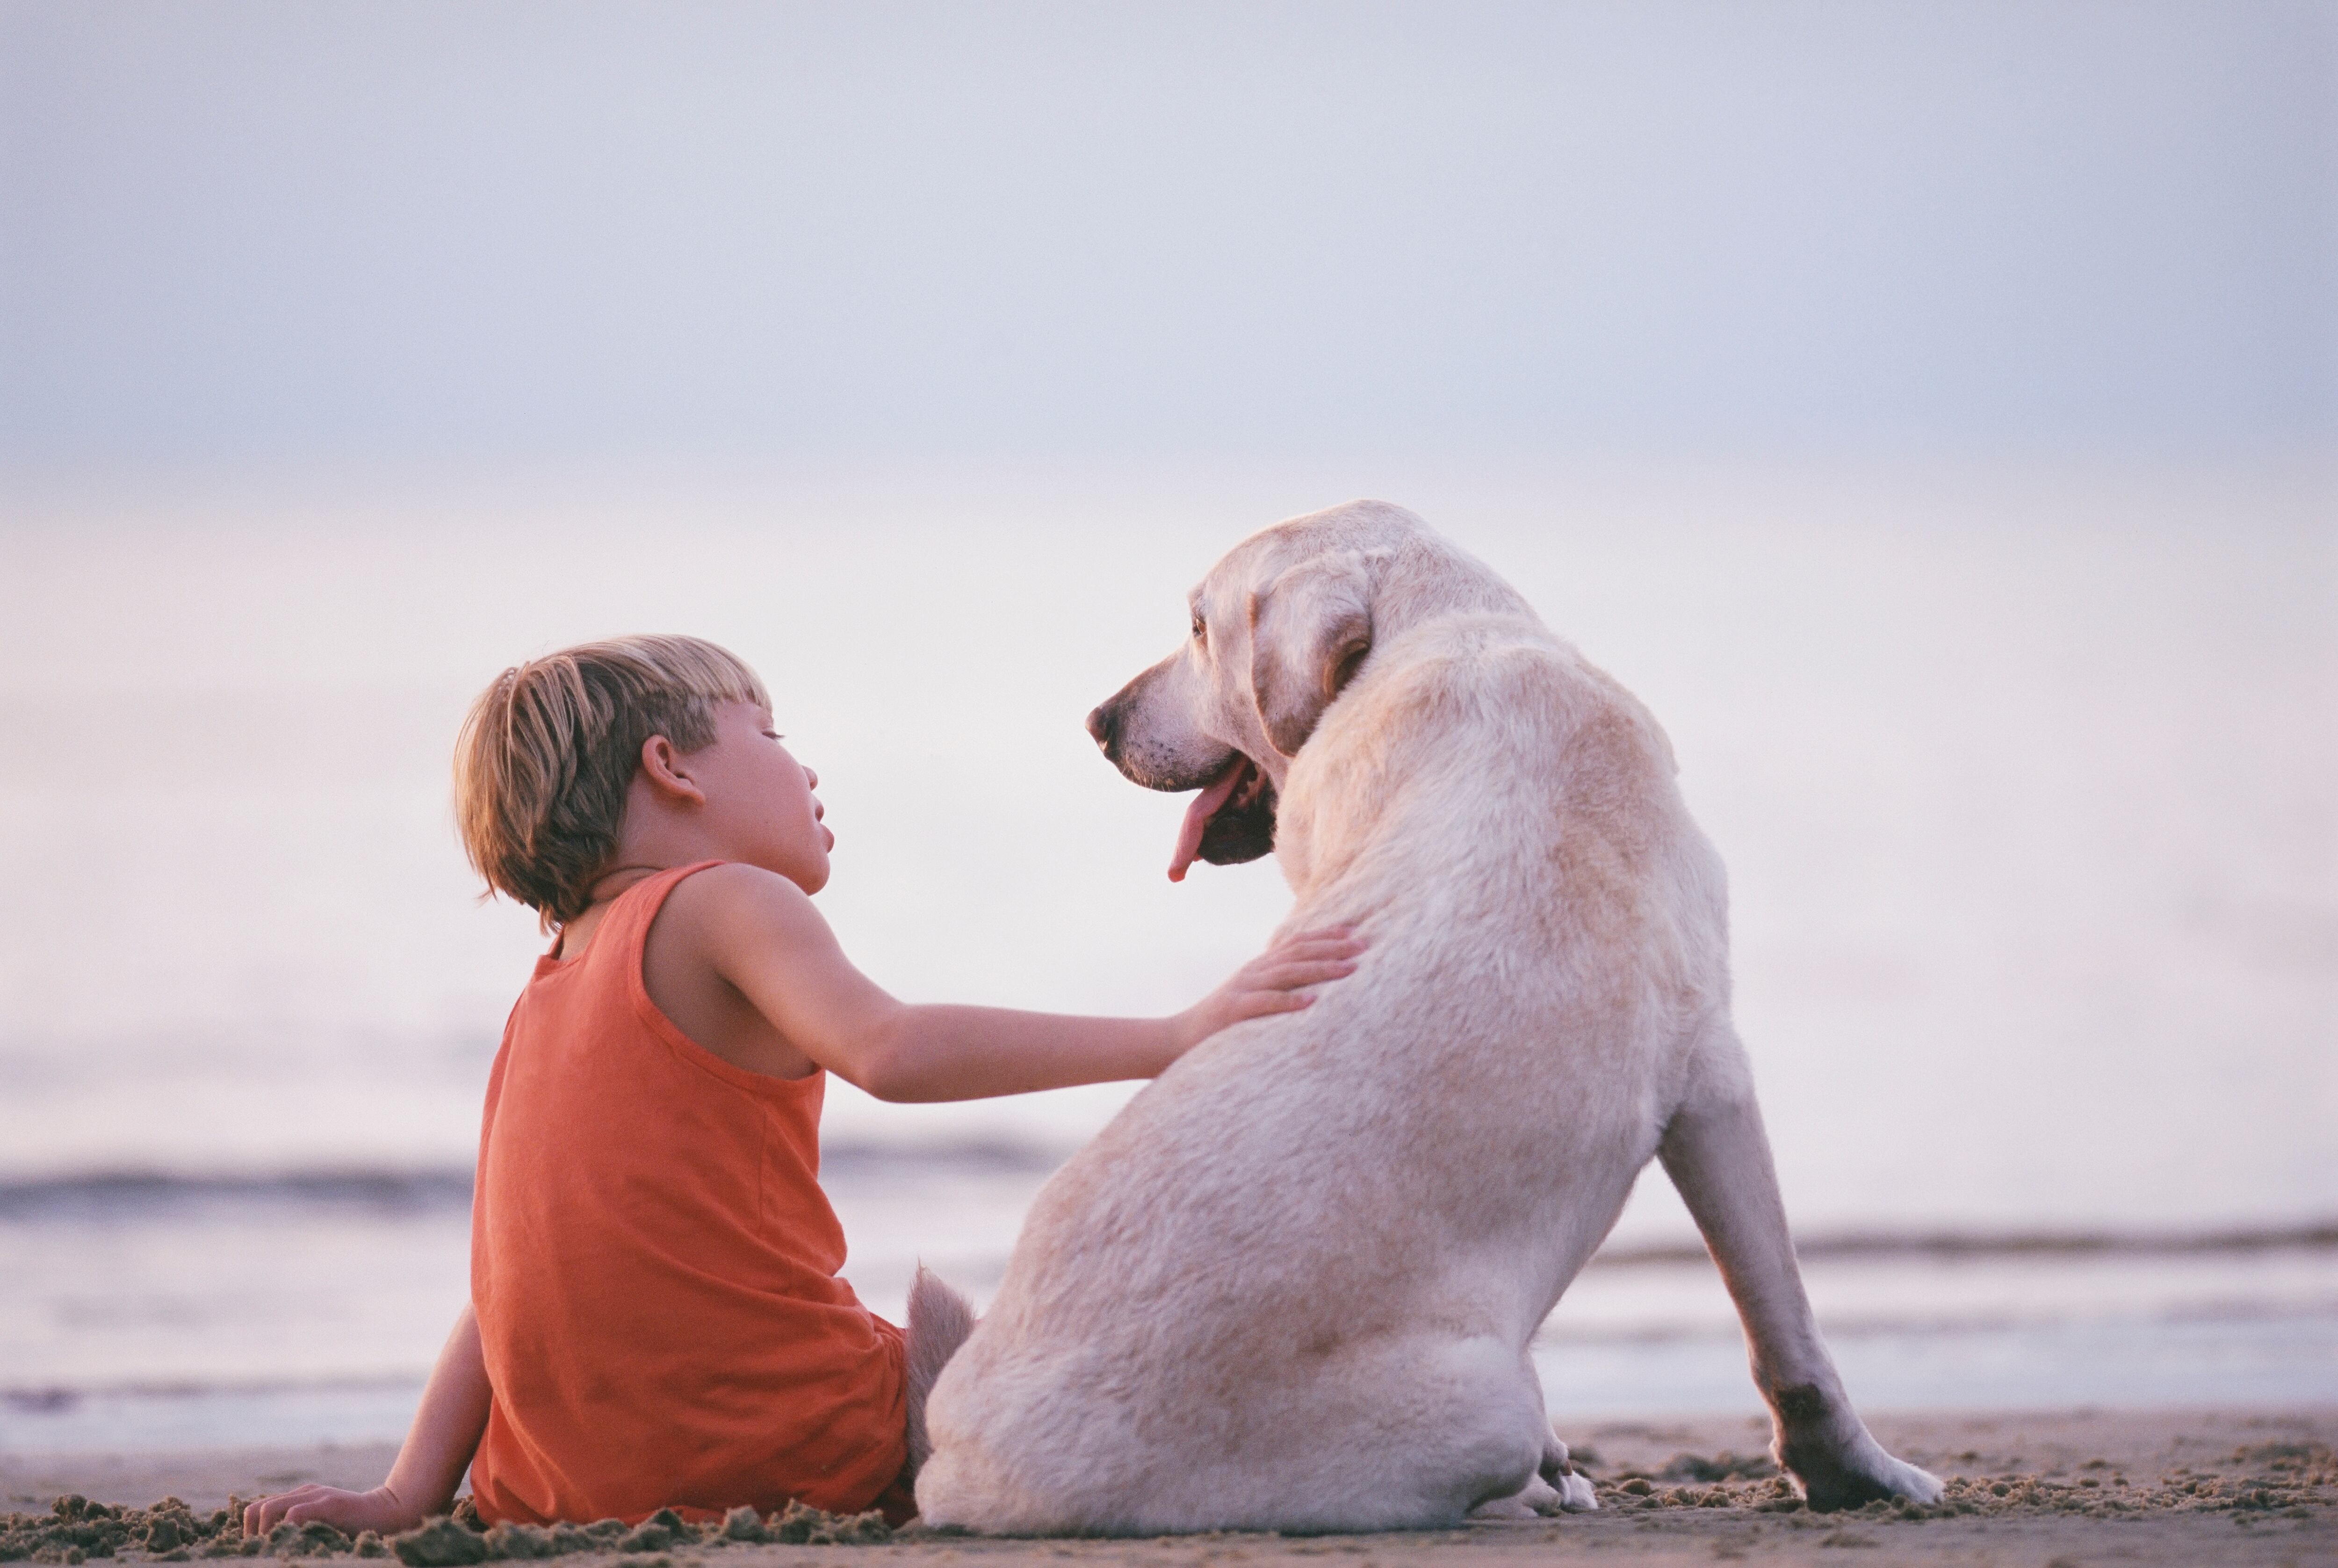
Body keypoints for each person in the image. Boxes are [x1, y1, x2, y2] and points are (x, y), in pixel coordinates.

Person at [242, 634, 1360, 1538]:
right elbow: (889, 1048)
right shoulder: (723, 899)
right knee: (1094, 1353)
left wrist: (406, 1494)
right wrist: (1177, 1033)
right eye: (770, 735)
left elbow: (503, 1285)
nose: (806, 767)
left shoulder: (545, 994)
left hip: (560, 1491)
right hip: (785, 1440)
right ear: (670, 771)